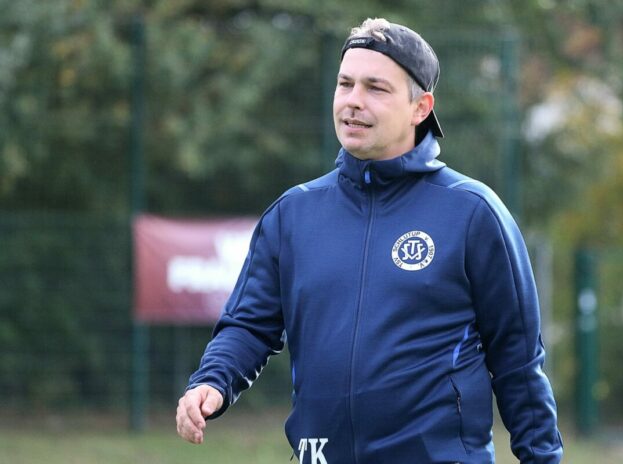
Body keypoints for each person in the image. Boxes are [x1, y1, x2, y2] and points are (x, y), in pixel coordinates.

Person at [176, 17, 563, 464]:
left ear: (420, 108)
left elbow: (518, 363)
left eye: (376, 88)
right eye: (345, 84)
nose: (353, 101)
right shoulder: (292, 214)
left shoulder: (473, 212)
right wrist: (212, 381)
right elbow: (249, 325)